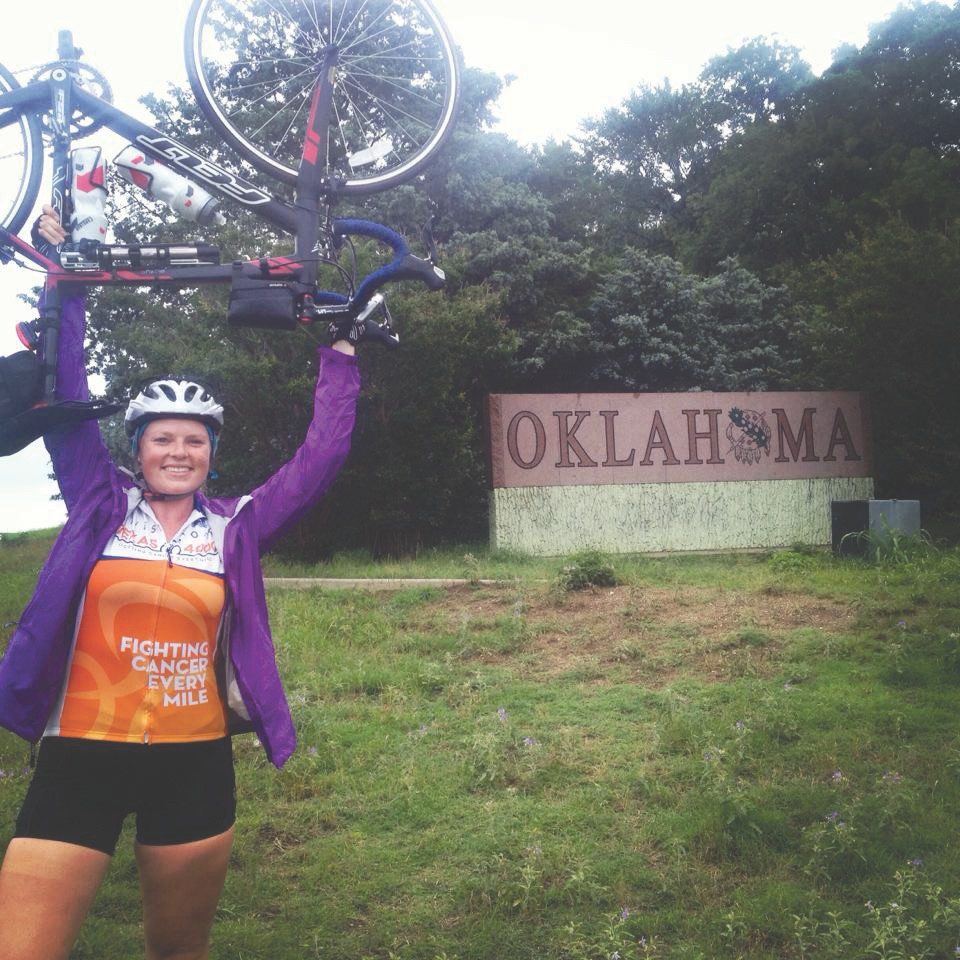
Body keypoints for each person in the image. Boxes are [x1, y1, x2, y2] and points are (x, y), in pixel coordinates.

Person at [0, 207, 362, 960]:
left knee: (179, 952)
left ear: (210, 456)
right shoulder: (98, 503)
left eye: (194, 440)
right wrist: (67, 283)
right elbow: (67, 393)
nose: (178, 450)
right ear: (137, 449)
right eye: (161, 437)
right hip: (81, 753)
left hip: (193, 762)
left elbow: (320, 459)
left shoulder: (237, 527)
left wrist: (340, 352)